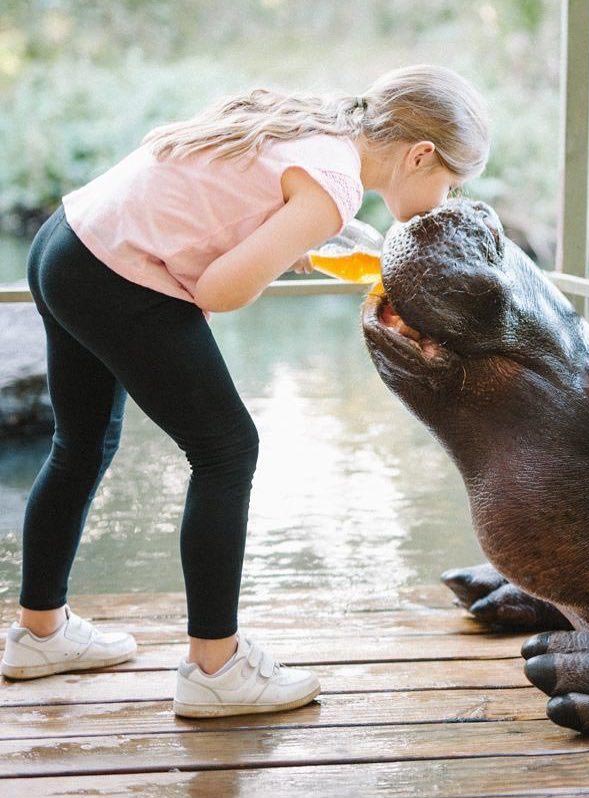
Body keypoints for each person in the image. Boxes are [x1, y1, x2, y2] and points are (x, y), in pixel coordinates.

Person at [0, 63, 490, 718]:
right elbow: (220, 290)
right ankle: (216, 667)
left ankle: (40, 634)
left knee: (81, 444)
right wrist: (294, 243)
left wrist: (290, 241)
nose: (446, 198)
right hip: (113, 272)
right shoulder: (334, 185)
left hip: (66, 243)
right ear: (420, 154)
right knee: (228, 451)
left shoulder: (315, 124)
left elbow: (218, 205)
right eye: (450, 182)